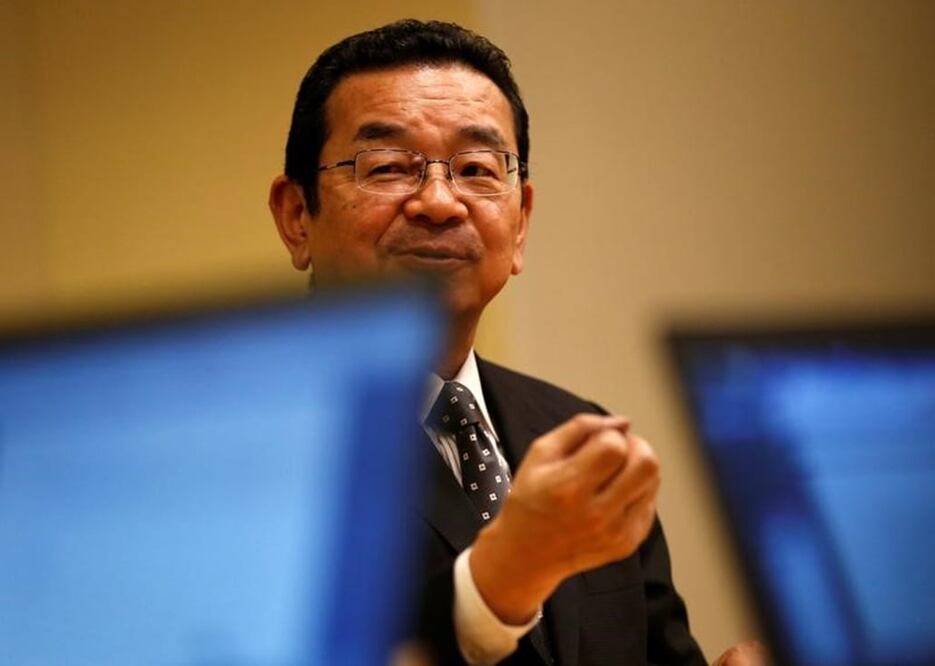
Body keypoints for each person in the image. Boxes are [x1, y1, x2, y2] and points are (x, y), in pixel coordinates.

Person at [269, 19, 763, 666]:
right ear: (297, 216)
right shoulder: (240, 445)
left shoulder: (577, 434)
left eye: (476, 168)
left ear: (521, 220)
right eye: (388, 166)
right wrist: (497, 581)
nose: (440, 202)